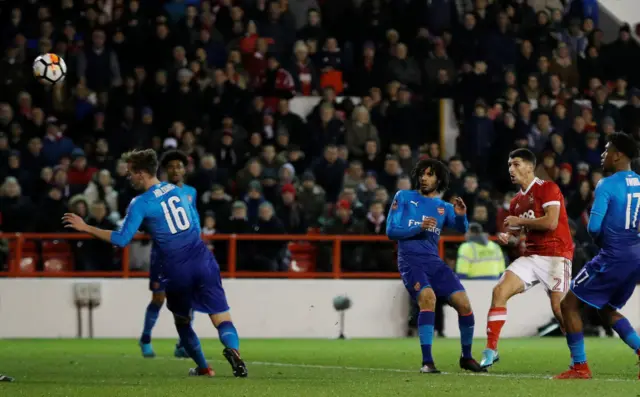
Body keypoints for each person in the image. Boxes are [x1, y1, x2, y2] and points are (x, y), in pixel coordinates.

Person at [63, 149, 247, 378]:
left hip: (176, 268)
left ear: (141, 173)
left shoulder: (140, 203)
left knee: (182, 321)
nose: (128, 177)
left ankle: (204, 368)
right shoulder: (180, 191)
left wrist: (87, 227)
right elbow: (195, 224)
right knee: (221, 317)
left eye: (130, 173)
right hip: (202, 259)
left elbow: (121, 240)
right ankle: (234, 353)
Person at [386, 158, 485, 374]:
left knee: (464, 304)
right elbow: (391, 231)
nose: (424, 177)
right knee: (428, 298)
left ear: (438, 179)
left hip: (434, 262)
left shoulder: (443, 207)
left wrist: (460, 216)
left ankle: (466, 357)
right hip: (410, 260)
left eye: (429, 174)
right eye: (422, 173)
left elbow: (462, 229)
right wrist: (419, 228)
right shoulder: (403, 197)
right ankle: (427, 361)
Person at [555, 133, 640, 380]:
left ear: (618, 155)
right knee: (607, 309)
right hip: (635, 257)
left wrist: (604, 243)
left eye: (607, 150)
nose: (603, 155)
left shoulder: (607, 184)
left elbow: (593, 227)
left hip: (612, 256)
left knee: (568, 304)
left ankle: (579, 367)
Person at [481, 148, 574, 368]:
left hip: (556, 255)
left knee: (559, 309)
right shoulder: (516, 202)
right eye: (509, 165)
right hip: (532, 256)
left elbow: (551, 223)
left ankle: (578, 358)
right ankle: (491, 349)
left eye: (516, 164)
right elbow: (517, 236)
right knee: (499, 291)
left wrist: (519, 222)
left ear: (530, 167)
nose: (511, 169)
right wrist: (509, 238)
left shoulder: (548, 188)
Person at [140, 150, 199, 358]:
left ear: (184, 170)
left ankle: (183, 343)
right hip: (163, 254)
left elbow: (194, 219)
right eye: (172, 166)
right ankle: (145, 338)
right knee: (159, 298)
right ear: (165, 170)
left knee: (189, 299)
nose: (176, 170)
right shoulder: (155, 191)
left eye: (179, 166)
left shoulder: (191, 192)